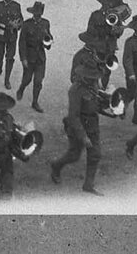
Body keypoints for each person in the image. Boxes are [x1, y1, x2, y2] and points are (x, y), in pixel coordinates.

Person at [50, 63, 103, 195]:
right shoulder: (75, 91)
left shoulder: (94, 85)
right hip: (77, 127)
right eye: (90, 78)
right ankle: (56, 165)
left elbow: (96, 104)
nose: (93, 80)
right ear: (83, 77)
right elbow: (73, 116)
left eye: (94, 77)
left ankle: (88, 185)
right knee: (74, 155)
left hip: (92, 125)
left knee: (95, 154)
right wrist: (83, 137)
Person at [16, 1, 51, 112]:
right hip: (29, 56)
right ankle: (21, 88)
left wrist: (48, 41)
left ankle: (35, 102)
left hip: (40, 57)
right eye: (36, 13)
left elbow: (49, 39)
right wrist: (23, 58)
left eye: (39, 14)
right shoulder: (26, 24)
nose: (37, 16)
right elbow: (22, 42)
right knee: (27, 79)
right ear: (33, 13)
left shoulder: (46, 23)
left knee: (38, 81)